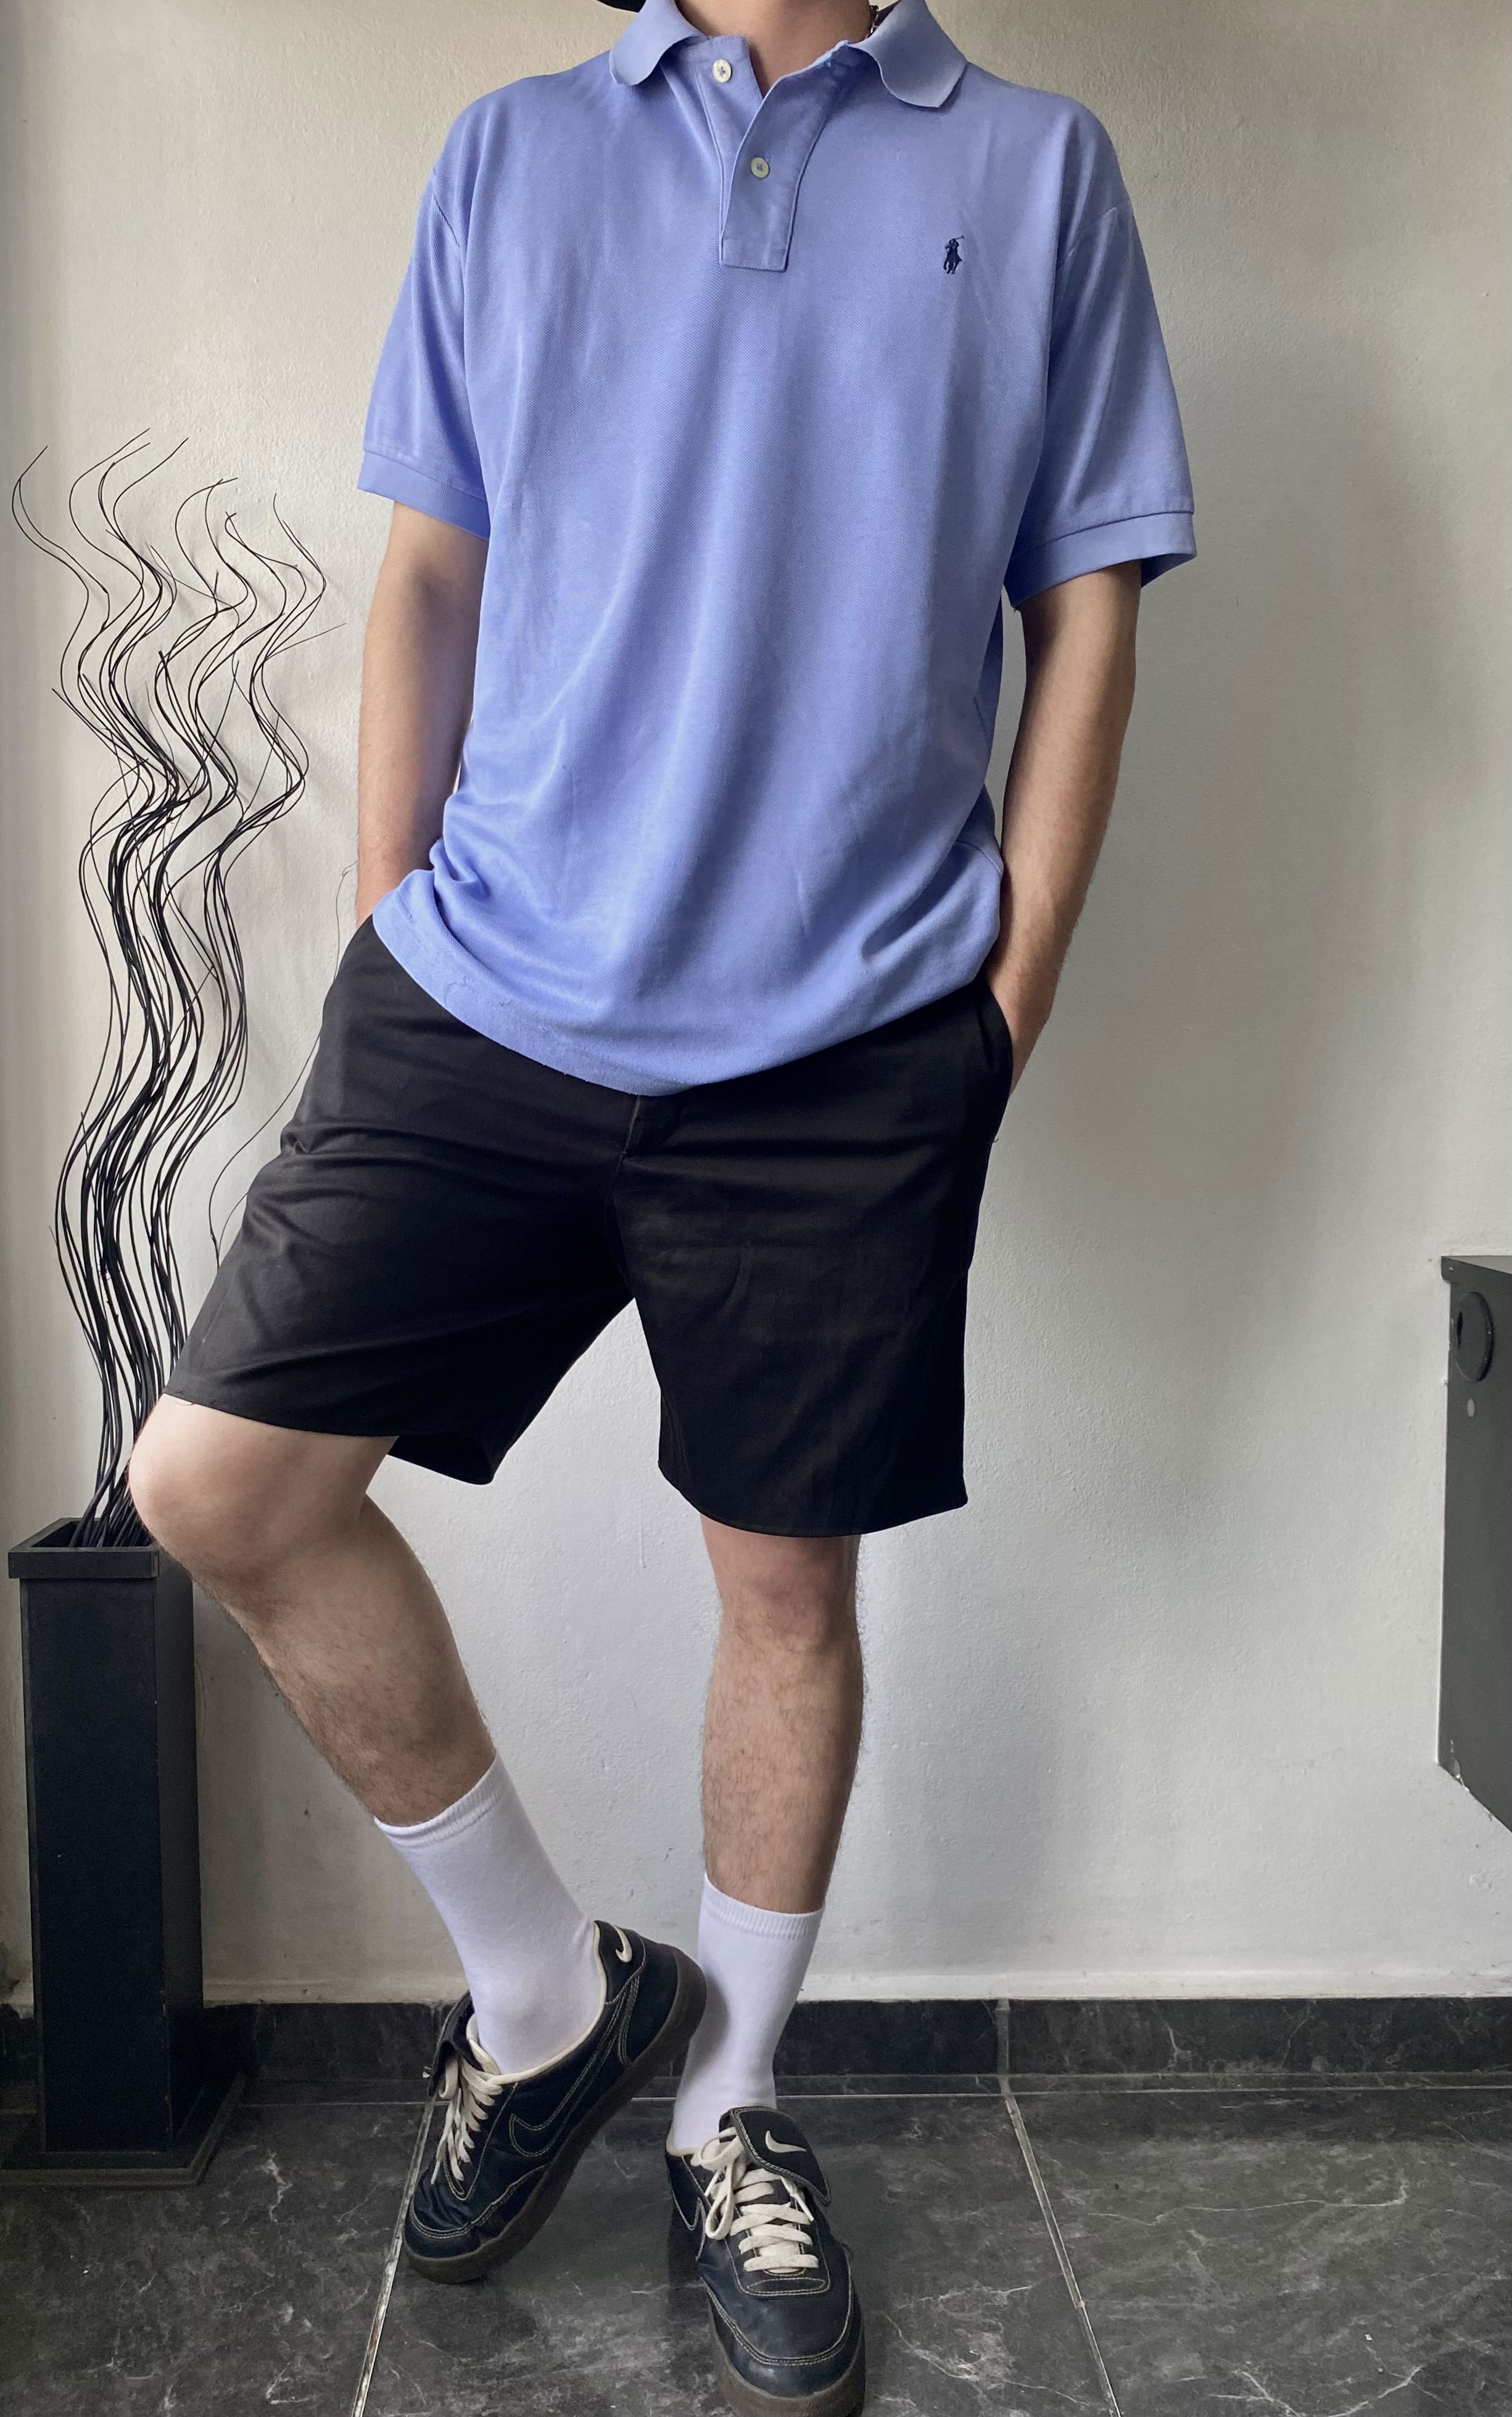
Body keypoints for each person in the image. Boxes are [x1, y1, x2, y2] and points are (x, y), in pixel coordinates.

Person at [128, 1, 1194, 2407]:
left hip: (852, 1043)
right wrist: (388, 915)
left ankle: (731, 2105)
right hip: (482, 994)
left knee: (780, 1587)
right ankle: (544, 1994)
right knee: (217, 1484)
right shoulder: (512, 153)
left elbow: (1090, 604)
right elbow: (428, 571)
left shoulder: (1035, 169)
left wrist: (1003, 1003)